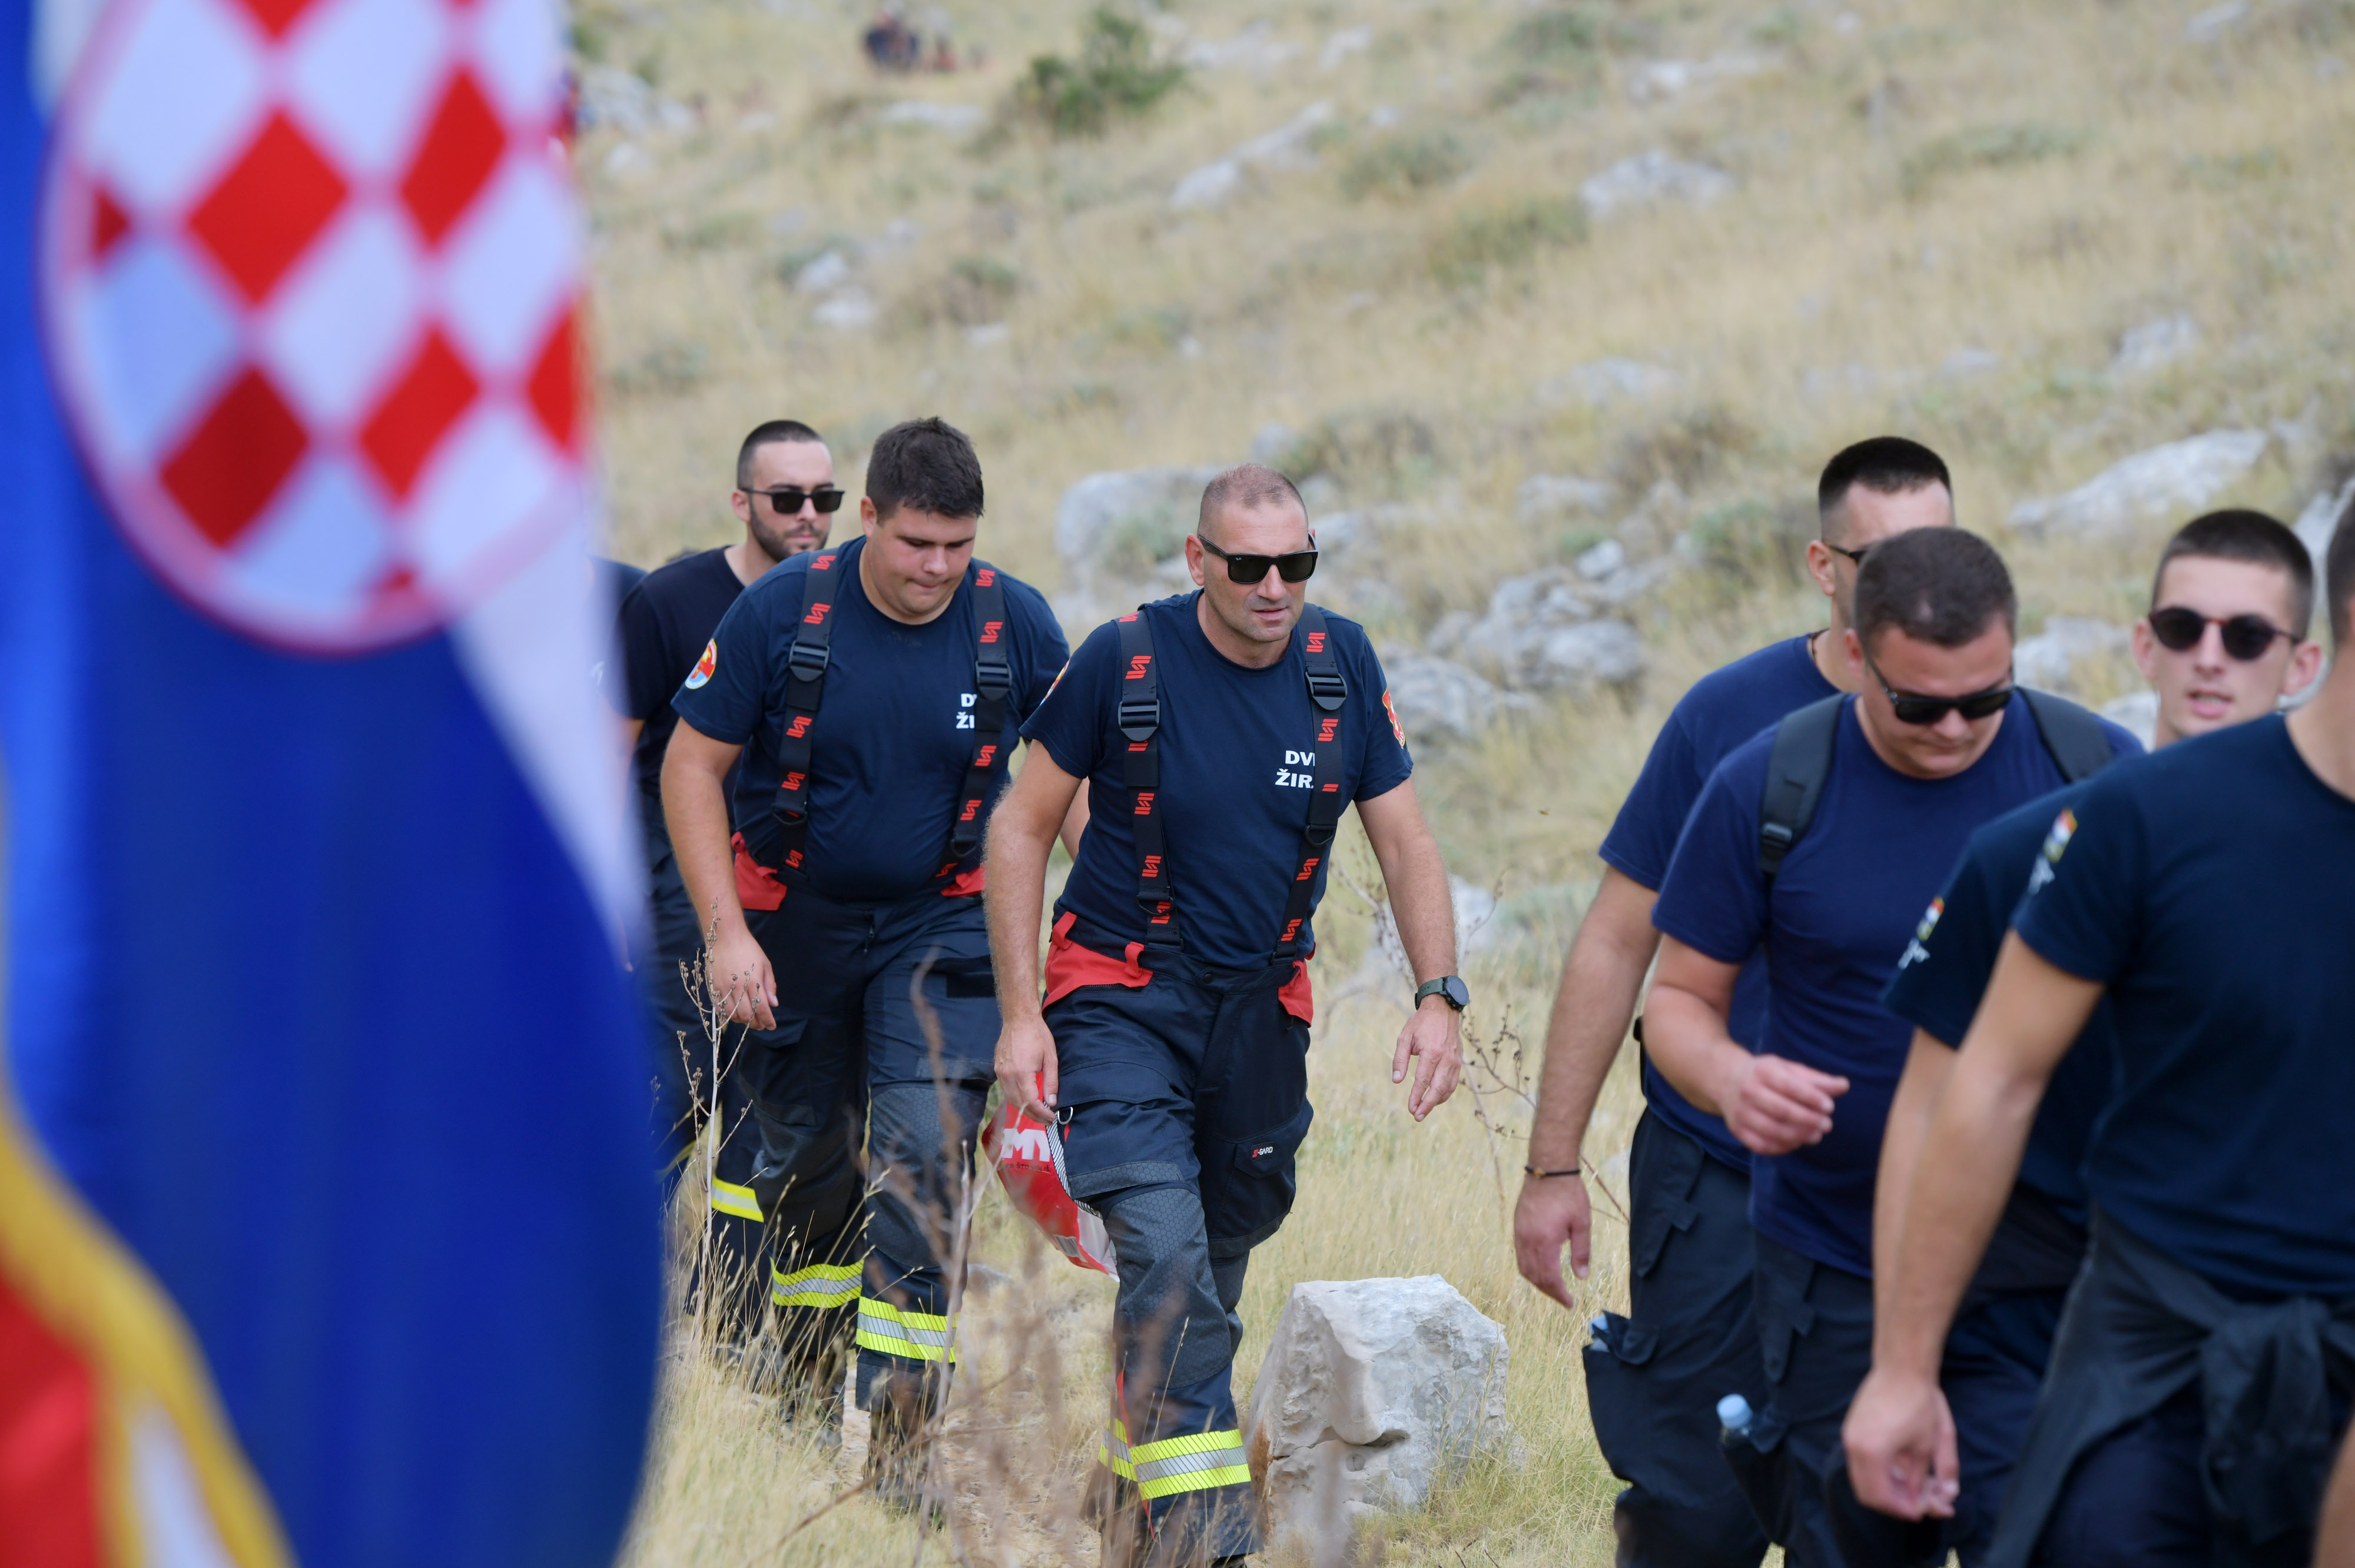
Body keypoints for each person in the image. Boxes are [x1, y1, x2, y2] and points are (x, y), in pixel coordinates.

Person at [1842, 500, 2355, 1566]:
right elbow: (1969, 1090)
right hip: (2133, 1343)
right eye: (2185, 628)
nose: (2212, 660)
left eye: (2246, 635)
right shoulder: (2104, 828)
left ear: (2302, 650)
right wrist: (1903, 1363)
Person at [986, 464, 1466, 1566]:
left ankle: (1125, 1504)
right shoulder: (1124, 658)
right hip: (1117, 996)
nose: (1273, 586)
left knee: (1213, 1266)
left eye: (1296, 563)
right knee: (1164, 1251)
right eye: (1247, 564)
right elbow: (1020, 828)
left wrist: (1439, 991)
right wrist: (1023, 1014)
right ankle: (1210, 1542)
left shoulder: (1341, 663)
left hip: (1261, 1014)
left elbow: (1407, 839)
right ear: (1196, 559)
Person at [1643, 527, 2140, 1566]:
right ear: (1859, 652)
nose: (1955, 727)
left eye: (1986, 696)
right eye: (1921, 704)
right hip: (1834, 1263)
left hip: (2048, 1266)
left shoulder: (2096, 774)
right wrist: (1736, 1078)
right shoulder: (1770, 783)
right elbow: (1680, 999)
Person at [1514, 437, 1955, 1567]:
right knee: (1688, 1507)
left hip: (1901, 1198)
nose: (1920, 580)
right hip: (1714, 1186)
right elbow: (1619, 940)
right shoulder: (1729, 715)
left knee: (1861, 1516)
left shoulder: (1990, 721)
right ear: (1823, 563)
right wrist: (1554, 1164)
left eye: (1941, 550)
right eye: (1885, 554)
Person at [664, 417, 1076, 1498]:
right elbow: (689, 767)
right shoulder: (781, 613)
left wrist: (1108, 928)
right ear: (868, 521)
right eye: (916, 544)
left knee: (925, 1169)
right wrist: (727, 931)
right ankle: (800, 1396)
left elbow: (1069, 784)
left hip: (941, 931)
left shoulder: (1013, 620)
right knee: (813, 1181)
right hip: (797, 924)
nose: (938, 569)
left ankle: (900, 1454)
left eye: (958, 545)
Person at [615, 419, 842, 1167]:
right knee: (680, 1081)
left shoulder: (856, 601)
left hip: (796, 871)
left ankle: (733, 1284)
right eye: (787, 498)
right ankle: (595, 1252)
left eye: (824, 496)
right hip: (679, 868)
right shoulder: (668, 600)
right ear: (742, 503)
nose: (808, 514)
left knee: (774, 1106)